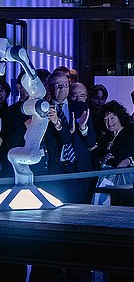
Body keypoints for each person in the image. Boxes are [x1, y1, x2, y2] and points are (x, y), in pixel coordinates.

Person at [43, 70, 96, 203]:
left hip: (79, 166)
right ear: (50, 87)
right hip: (56, 167)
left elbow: (91, 142)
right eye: (58, 85)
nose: (63, 89)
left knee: (81, 208)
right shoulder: (44, 109)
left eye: (65, 85)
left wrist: (83, 129)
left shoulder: (80, 107)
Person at [96, 100, 134, 170]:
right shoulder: (106, 137)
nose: (109, 122)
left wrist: (130, 160)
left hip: (133, 176)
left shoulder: (132, 130)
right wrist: (103, 159)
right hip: (110, 177)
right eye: (106, 120)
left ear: (119, 117)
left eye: (112, 118)